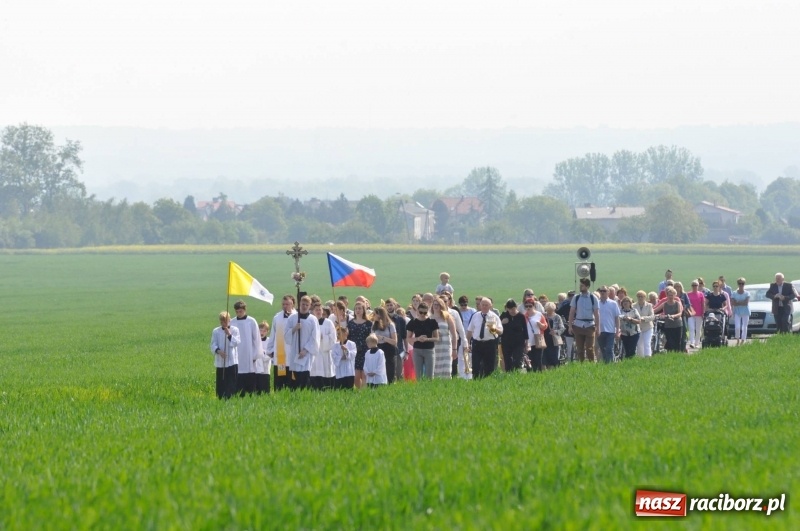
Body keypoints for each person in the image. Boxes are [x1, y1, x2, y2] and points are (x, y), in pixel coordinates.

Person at [284, 295, 320, 390]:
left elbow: (315, 337)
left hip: (306, 353)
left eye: (307, 305)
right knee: (294, 377)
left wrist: (306, 350)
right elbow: (286, 335)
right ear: (299, 304)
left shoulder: (313, 319)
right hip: (295, 351)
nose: (304, 306)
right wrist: (294, 328)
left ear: (310, 306)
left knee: (304, 376)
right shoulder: (292, 318)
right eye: (303, 304)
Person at [465, 297, 503, 378]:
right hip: (477, 343)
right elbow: (469, 331)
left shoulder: (494, 317)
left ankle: (487, 381)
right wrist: (468, 343)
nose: (484, 307)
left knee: (489, 366)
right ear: (480, 305)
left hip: (490, 343)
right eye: (483, 305)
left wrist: (494, 329)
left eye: (486, 305)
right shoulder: (475, 316)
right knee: (476, 365)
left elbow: (501, 331)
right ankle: (476, 382)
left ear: (490, 306)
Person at [266, 295, 296, 392]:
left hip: (292, 354)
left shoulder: (297, 317)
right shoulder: (277, 317)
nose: (285, 306)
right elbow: (273, 334)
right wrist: (269, 349)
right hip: (280, 355)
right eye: (283, 304)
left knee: (292, 382)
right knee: (280, 383)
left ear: (292, 304)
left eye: (287, 304)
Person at [232, 300, 262, 396]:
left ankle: (250, 393)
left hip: (249, 353)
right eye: (237, 312)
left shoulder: (251, 321)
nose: (239, 314)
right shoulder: (232, 322)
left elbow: (256, 339)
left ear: (245, 310)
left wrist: (255, 355)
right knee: (238, 374)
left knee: (249, 374)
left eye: (240, 311)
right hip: (237, 353)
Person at [568, 278, 600, 362]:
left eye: (582, 285)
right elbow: (571, 312)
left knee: (590, 348)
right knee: (579, 349)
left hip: (589, 325)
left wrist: (598, 327)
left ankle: (591, 363)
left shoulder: (593, 298)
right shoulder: (576, 297)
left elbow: (597, 314)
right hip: (578, 325)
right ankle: (581, 364)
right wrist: (570, 326)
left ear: (587, 286)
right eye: (580, 285)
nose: (580, 287)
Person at [210, 311, 240, 399]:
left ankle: (232, 398)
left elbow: (236, 342)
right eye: (222, 322)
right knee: (221, 383)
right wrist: (218, 351)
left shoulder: (235, 330)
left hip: (232, 362)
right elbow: (213, 344)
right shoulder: (216, 331)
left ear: (229, 320)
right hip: (221, 362)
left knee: (232, 383)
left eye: (225, 321)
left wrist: (229, 334)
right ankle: (220, 398)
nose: (224, 323)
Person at [406, 302, 439, 379]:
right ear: (417, 311)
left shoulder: (432, 322)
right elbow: (408, 338)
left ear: (427, 312)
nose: (422, 314)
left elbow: (437, 338)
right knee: (418, 375)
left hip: (429, 350)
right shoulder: (413, 322)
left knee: (429, 376)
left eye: (425, 313)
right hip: (417, 350)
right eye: (421, 312)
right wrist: (417, 338)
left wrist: (426, 339)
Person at [310, 302, 337, 390]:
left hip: (325, 353)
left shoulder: (328, 323)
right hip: (315, 354)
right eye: (316, 310)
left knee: (326, 376)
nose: (318, 311)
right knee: (315, 375)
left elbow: (333, 338)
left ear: (322, 311)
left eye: (319, 310)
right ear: (313, 311)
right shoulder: (311, 322)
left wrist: (323, 337)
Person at [347, 301, 373, 389]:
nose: (358, 310)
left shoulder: (369, 323)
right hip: (354, 351)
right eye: (356, 308)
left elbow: (371, 337)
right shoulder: (350, 323)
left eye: (359, 308)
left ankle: (364, 392)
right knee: (356, 375)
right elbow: (348, 337)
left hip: (365, 350)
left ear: (363, 310)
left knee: (364, 373)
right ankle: (358, 391)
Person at [499, 299, 529, 372]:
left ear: (516, 307)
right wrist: (502, 323)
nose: (512, 310)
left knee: (517, 360)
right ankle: (509, 374)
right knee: (507, 360)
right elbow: (497, 327)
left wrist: (527, 343)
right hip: (506, 342)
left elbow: (525, 330)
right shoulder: (504, 315)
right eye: (509, 309)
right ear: (507, 308)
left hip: (518, 342)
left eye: (513, 308)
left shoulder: (521, 316)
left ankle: (516, 372)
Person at [431, 297, 456, 379]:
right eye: (434, 304)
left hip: (445, 346)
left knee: (446, 369)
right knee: (435, 368)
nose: (436, 306)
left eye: (438, 304)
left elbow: (454, 334)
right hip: (434, 347)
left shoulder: (447, 317)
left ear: (442, 306)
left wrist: (454, 349)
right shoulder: (430, 318)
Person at [371, 306, 398, 383]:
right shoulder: (374, 325)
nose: (373, 316)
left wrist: (383, 338)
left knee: (390, 372)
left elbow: (395, 341)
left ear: (380, 315)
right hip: (378, 349)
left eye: (375, 314)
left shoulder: (390, 325)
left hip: (388, 349)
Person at [653, 287, 684, 352]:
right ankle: (670, 354)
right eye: (669, 295)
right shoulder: (664, 304)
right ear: (667, 295)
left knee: (677, 341)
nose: (670, 296)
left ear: (674, 295)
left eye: (672, 295)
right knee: (669, 342)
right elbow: (655, 310)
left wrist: (673, 316)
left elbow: (680, 313)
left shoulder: (677, 303)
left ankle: (677, 354)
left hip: (677, 324)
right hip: (668, 325)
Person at [596, 286, 621, 363]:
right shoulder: (596, 303)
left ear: (608, 292)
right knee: (603, 349)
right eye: (601, 291)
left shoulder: (613, 303)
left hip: (610, 330)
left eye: (604, 291)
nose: (602, 292)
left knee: (609, 349)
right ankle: (606, 364)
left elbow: (617, 317)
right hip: (600, 330)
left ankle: (611, 365)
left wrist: (617, 330)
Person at [385, 298, 406, 381]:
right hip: (386, 348)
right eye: (387, 305)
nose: (389, 307)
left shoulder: (400, 320)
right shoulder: (384, 320)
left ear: (395, 305)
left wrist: (406, 350)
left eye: (391, 305)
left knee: (399, 372)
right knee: (389, 372)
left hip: (398, 348)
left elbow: (404, 336)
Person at [524, 297, 547, 371]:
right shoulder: (524, 316)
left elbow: (545, 326)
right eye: (526, 306)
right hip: (528, 341)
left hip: (538, 340)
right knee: (529, 360)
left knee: (538, 359)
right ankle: (530, 375)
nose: (528, 308)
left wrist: (540, 325)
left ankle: (538, 374)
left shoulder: (539, 315)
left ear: (534, 306)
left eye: (530, 306)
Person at [332, 325, 356, 390]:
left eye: (340, 333)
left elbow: (353, 354)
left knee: (349, 389)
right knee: (339, 389)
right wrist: (340, 357)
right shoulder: (335, 345)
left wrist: (346, 350)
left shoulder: (352, 344)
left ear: (345, 333)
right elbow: (333, 355)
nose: (338, 335)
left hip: (349, 371)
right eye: (337, 334)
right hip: (339, 370)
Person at [543, 302, 565, 369]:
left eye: (551, 310)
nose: (549, 312)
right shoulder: (543, 316)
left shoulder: (557, 317)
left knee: (554, 356)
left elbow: (562, 328)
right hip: (545, 339)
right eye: (548, 310)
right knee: (545, 357)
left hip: (554, 340)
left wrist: (556, 331)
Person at [730, 277, 751, 345]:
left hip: (745, 312)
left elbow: (746, 303)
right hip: (737, 312)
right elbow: (733, 303)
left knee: (744, 326)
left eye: (742, 283)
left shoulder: (747, 293)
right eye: (740, 283)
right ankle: (738, 339)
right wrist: (741, 302)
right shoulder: (734, 293)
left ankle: (743, 339)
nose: (741, 285)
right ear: (738, 284)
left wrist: (738, 302)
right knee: (737, 326)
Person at [633, 291, 655, 357]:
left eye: (642, 296)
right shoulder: (633, 306)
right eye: (639, 296)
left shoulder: (649, 305)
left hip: (648, 327)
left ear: (645, 297)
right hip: (638, 328)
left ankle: (648, 358)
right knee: (639, 344)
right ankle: (641, 358)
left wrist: (643, 318)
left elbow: (652, 316)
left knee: (647, 343)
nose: (640, 298)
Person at [686, 280, 705, 349]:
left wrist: (703, 312)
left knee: (698, 329)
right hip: (691, 314)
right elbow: (686, 304)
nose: (694, 287)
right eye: (693, 285)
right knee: (691, 328)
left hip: (699, 314)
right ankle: (692, 342)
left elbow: (703, 304)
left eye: (696, 285)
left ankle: (697, 343)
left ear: (698, 286)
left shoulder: (701, 294)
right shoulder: (688, 294)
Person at [556, 291, 575, 362]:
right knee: (570, 345)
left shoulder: (566, 304)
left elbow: (558, 313)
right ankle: (570, 359)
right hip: (569, 327)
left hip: (578, 327)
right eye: (570, 296)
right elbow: (558, 314)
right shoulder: (566, 305)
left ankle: (572, 359)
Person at [255, 321, 271, 394]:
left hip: (265, 369)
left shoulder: (269, 341)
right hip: (256, 369)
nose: (262, 332)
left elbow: (270, 354)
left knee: (265, 390)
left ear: (267, 332)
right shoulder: (255, 341)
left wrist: (262, 353)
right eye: (261, 330)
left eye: (264, 331)